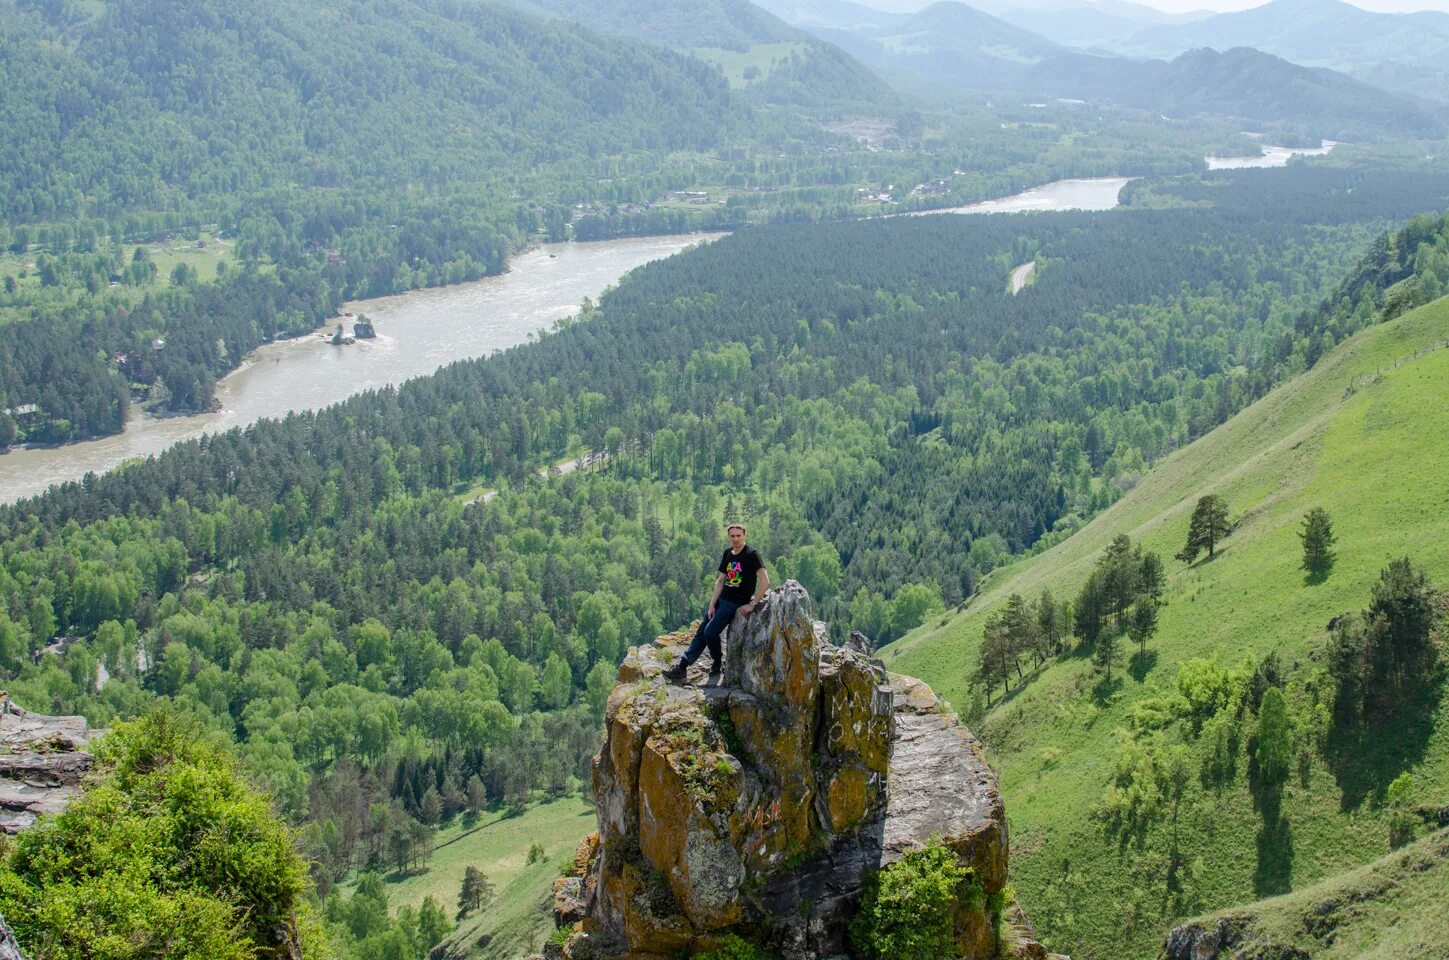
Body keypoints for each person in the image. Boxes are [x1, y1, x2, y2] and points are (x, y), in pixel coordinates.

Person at [664, 523, 768, 682]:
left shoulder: (752, 554)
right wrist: (712, 604)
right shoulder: (728, 553)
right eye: (732, 536)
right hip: (722, 599)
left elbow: (765, 581)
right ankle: (682, 667)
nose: (735, 539)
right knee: (701, 631)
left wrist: (752, 604)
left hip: (735, 602)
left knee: (709, 632)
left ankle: (717, 661)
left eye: (738, 536)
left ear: (745, 535)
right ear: (729, 537)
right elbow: (720, 581)